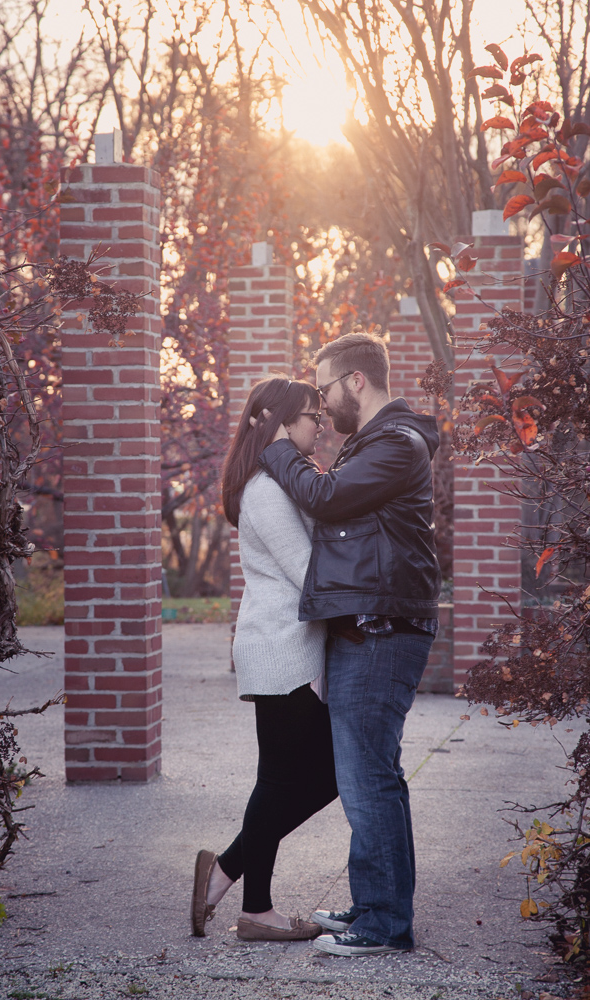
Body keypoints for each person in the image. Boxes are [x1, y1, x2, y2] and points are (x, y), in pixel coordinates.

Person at [257, 331, 441, 957]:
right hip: (370, 627)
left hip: (381, 631)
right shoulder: (377, 443)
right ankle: (374, 904)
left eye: (326, 386)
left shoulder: (396, 443)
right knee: (375, 775)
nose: (325, 403)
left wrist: (278, 449)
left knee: (367, 781)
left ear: (356, 381)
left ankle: (384, 926)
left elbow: (326, 497)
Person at [191, 376, 338, 942]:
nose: (318, 426)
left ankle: (233, 881)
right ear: (279, 422)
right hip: (279, 650)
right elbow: (309, 575)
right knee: (306, 777)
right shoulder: (268, 491)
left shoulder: (273, 482)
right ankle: (249, 903)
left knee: (287, 779)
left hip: (281, 647)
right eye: (309, 416)